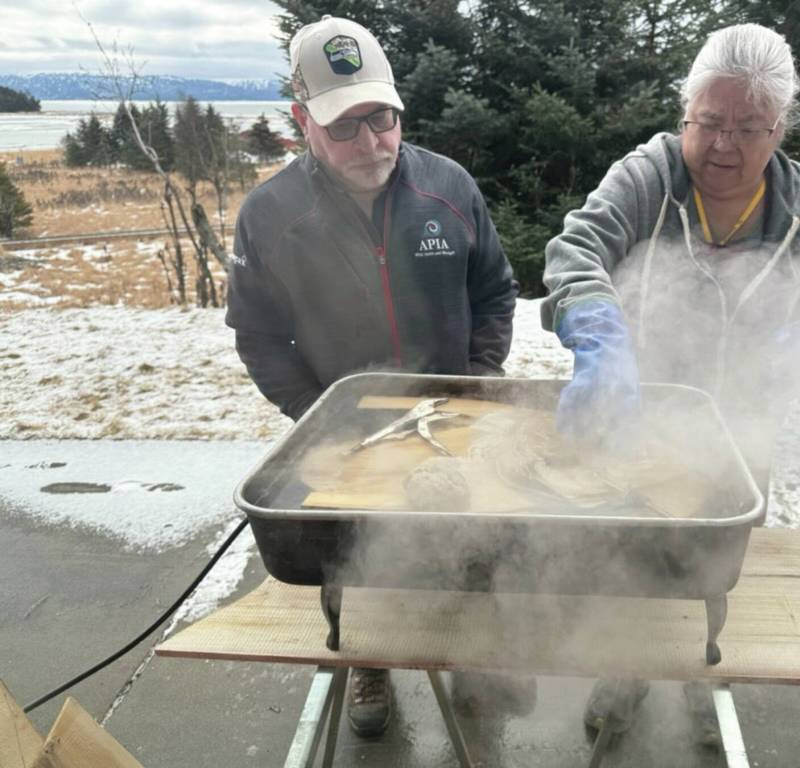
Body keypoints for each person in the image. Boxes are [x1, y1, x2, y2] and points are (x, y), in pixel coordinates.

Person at [541, 23, 800, 734]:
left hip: (744, 431)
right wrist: (600, 335)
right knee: (630, 555)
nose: (724, 145)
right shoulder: (647, 176)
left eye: (750, 128)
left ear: (780, 129)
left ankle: (705, 674)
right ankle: (624, 671)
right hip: (638, 415)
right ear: (686, 112)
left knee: (715, 562)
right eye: (710, 122)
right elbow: (576, 248)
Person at [225, 15, 518, 737]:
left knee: (471, 542)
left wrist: (476, 388)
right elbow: (258, 334)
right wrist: (317, 413)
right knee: (348, 553)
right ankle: (366, 660)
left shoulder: (449, 187)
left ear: (398, 108)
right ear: (303, 122)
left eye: (381, 119)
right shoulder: (269, 216)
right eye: (344, 125)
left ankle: (476, 656)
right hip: (346, 431)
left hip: (453, 418)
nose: (370, 142)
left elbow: (495, 292)